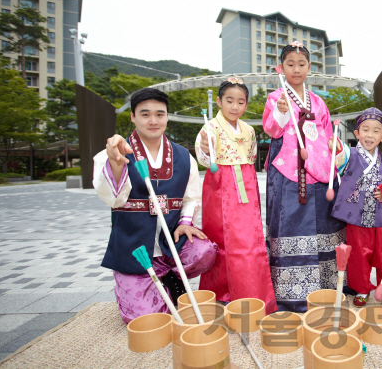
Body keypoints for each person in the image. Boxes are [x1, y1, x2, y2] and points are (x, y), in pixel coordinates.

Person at [93, 88, 218, 323]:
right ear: (132, 116)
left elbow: (191, 197)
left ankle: (171, 276)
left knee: (205, 251)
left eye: (160, 114)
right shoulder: (111, 154)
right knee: (146, 319)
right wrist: (115, 163)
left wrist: (185, 222)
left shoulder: (183, 156)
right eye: (145, 114)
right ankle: (146, 284)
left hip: (170, 242)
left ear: (167, 117)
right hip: (135, 247)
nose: (153, 121)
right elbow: (114, 199)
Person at [262, 41, 346, 312]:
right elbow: (272, 129)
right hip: (288, 171)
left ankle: (325, 290)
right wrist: (282, 111)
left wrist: (336, 148)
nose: (296, 69)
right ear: (280, 68)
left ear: (309, 67)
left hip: (320, 171)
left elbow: (327, 135)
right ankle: (292, 294)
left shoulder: (318, 101)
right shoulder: (277, 97)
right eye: (290, 64)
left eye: (301, 64)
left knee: (323, 223)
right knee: (290, 223)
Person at [195, 78, 277, 313]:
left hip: (247, 184)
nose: (234, 106)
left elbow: (250, 157)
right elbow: (203, 157)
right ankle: (222, 291)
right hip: (220, 184)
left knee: (249, 239)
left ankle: (250, 290)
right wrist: (205, 148)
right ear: (219, 101)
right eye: (229, 101)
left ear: (246, 104)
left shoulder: (249, 130)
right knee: (220, 237)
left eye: (240, 102)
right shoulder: (209, 128)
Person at [329, 108, 382, 307]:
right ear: (357, 133)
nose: (370, 135)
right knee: (359, 255)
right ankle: (361, 288)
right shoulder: (350, 155)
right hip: (357, 216)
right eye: (365, 130)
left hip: (381, 216)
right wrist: (334, 145)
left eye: (376, 131)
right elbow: (339, 152)